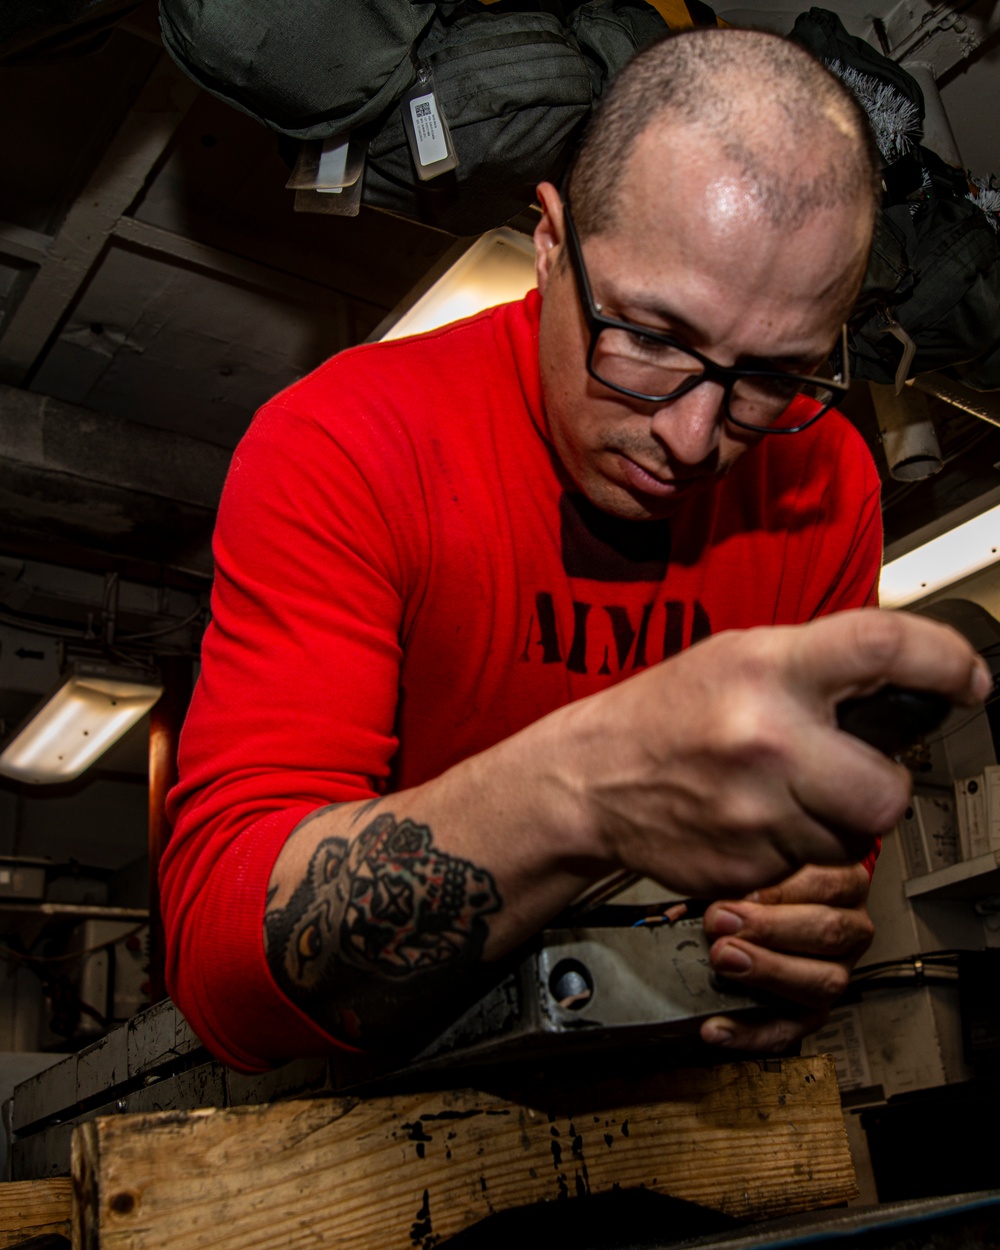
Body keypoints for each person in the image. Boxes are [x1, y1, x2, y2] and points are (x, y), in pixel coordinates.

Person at [161, 28, 989, 1073]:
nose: (694, 440)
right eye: (647, 334)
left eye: (772, 375)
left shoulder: (825, 482)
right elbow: (225, 977)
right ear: (550, 244)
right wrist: (588, 787)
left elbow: (818, 848)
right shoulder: (345, 440)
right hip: (380, 1096)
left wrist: (798, 923)